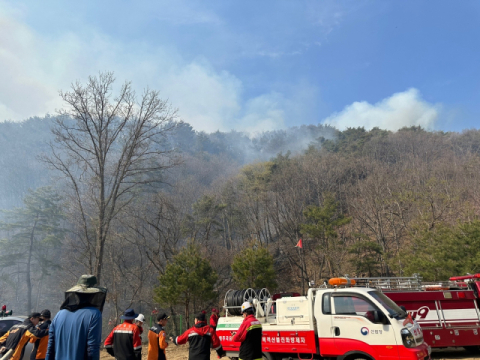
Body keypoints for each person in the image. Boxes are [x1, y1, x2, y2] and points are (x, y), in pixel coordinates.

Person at [45, 274, 107, 360]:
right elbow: (93, 348)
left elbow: (50, 347)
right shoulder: (94, 314)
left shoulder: (59, 314)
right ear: (94, 295)